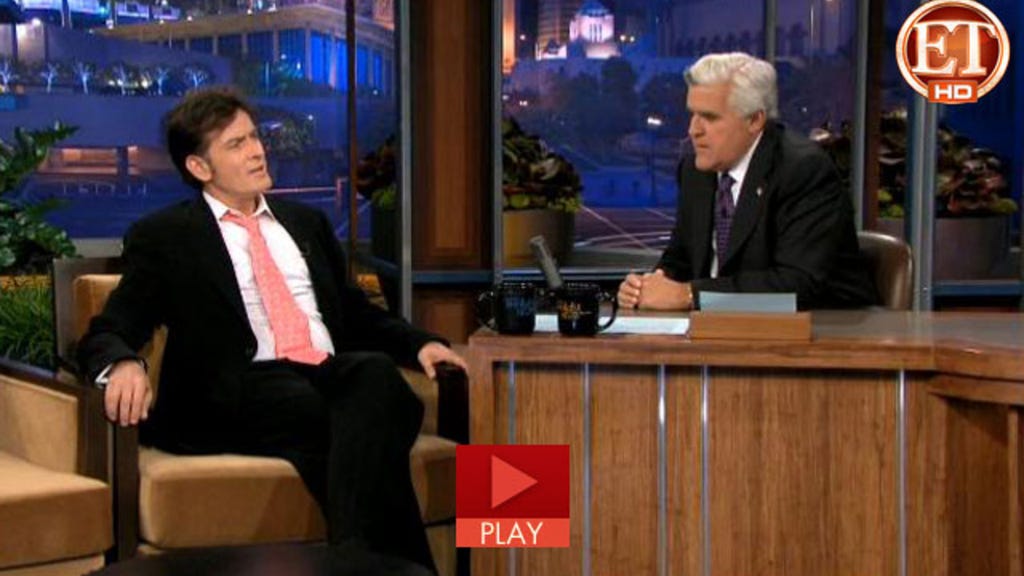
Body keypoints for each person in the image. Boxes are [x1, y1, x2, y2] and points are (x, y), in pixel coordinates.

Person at [77, 87, 467, 574]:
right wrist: (122, 362)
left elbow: (354, 312)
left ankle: (354, 560)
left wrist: (420, 343)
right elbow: (111, 326)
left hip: (323, 375)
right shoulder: (167, 236)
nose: (257, 150)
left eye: (255, 137)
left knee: (372, 377)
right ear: (199, 167)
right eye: (236, 144)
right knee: (380, 409)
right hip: (238, 389)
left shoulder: (306, 223)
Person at [617, 52, 876, 311]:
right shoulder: (695, 171)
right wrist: (647, 286)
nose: (693, 130)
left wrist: (690, 295)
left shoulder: (802, 170)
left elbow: (798, 285)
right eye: (692, 114)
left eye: (710, 117)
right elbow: (680, 258)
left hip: (824, 325)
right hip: (720, 324)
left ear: (754, 120)